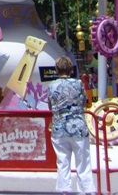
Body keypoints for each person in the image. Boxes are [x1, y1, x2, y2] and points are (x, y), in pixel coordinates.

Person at [47, 55, 95, 195]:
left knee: (63, 162)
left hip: (59, 128)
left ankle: (65, 191)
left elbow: (50, 105)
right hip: (78, 127)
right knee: (83, 162)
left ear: (57, 69)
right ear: (70, 69)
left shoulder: (52, 86)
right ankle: (86, 191)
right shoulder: (78, 84)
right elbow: (84, 101)